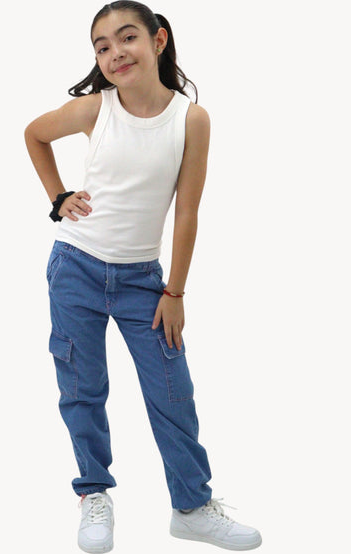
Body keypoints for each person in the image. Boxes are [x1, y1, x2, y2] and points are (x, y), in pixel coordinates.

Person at [24, 1, 262, 552]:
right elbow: (34, 134)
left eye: (126, 37)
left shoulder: (191, 119)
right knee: (82, 389)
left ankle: (191, 506)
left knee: (173, 393)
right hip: (75, 267)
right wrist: (58, 197)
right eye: (102, 47)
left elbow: (187, 212)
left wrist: (174, 291)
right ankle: (94, 493)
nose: (115, 53)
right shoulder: (94, 109)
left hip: (143, 282)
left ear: (158, 40)